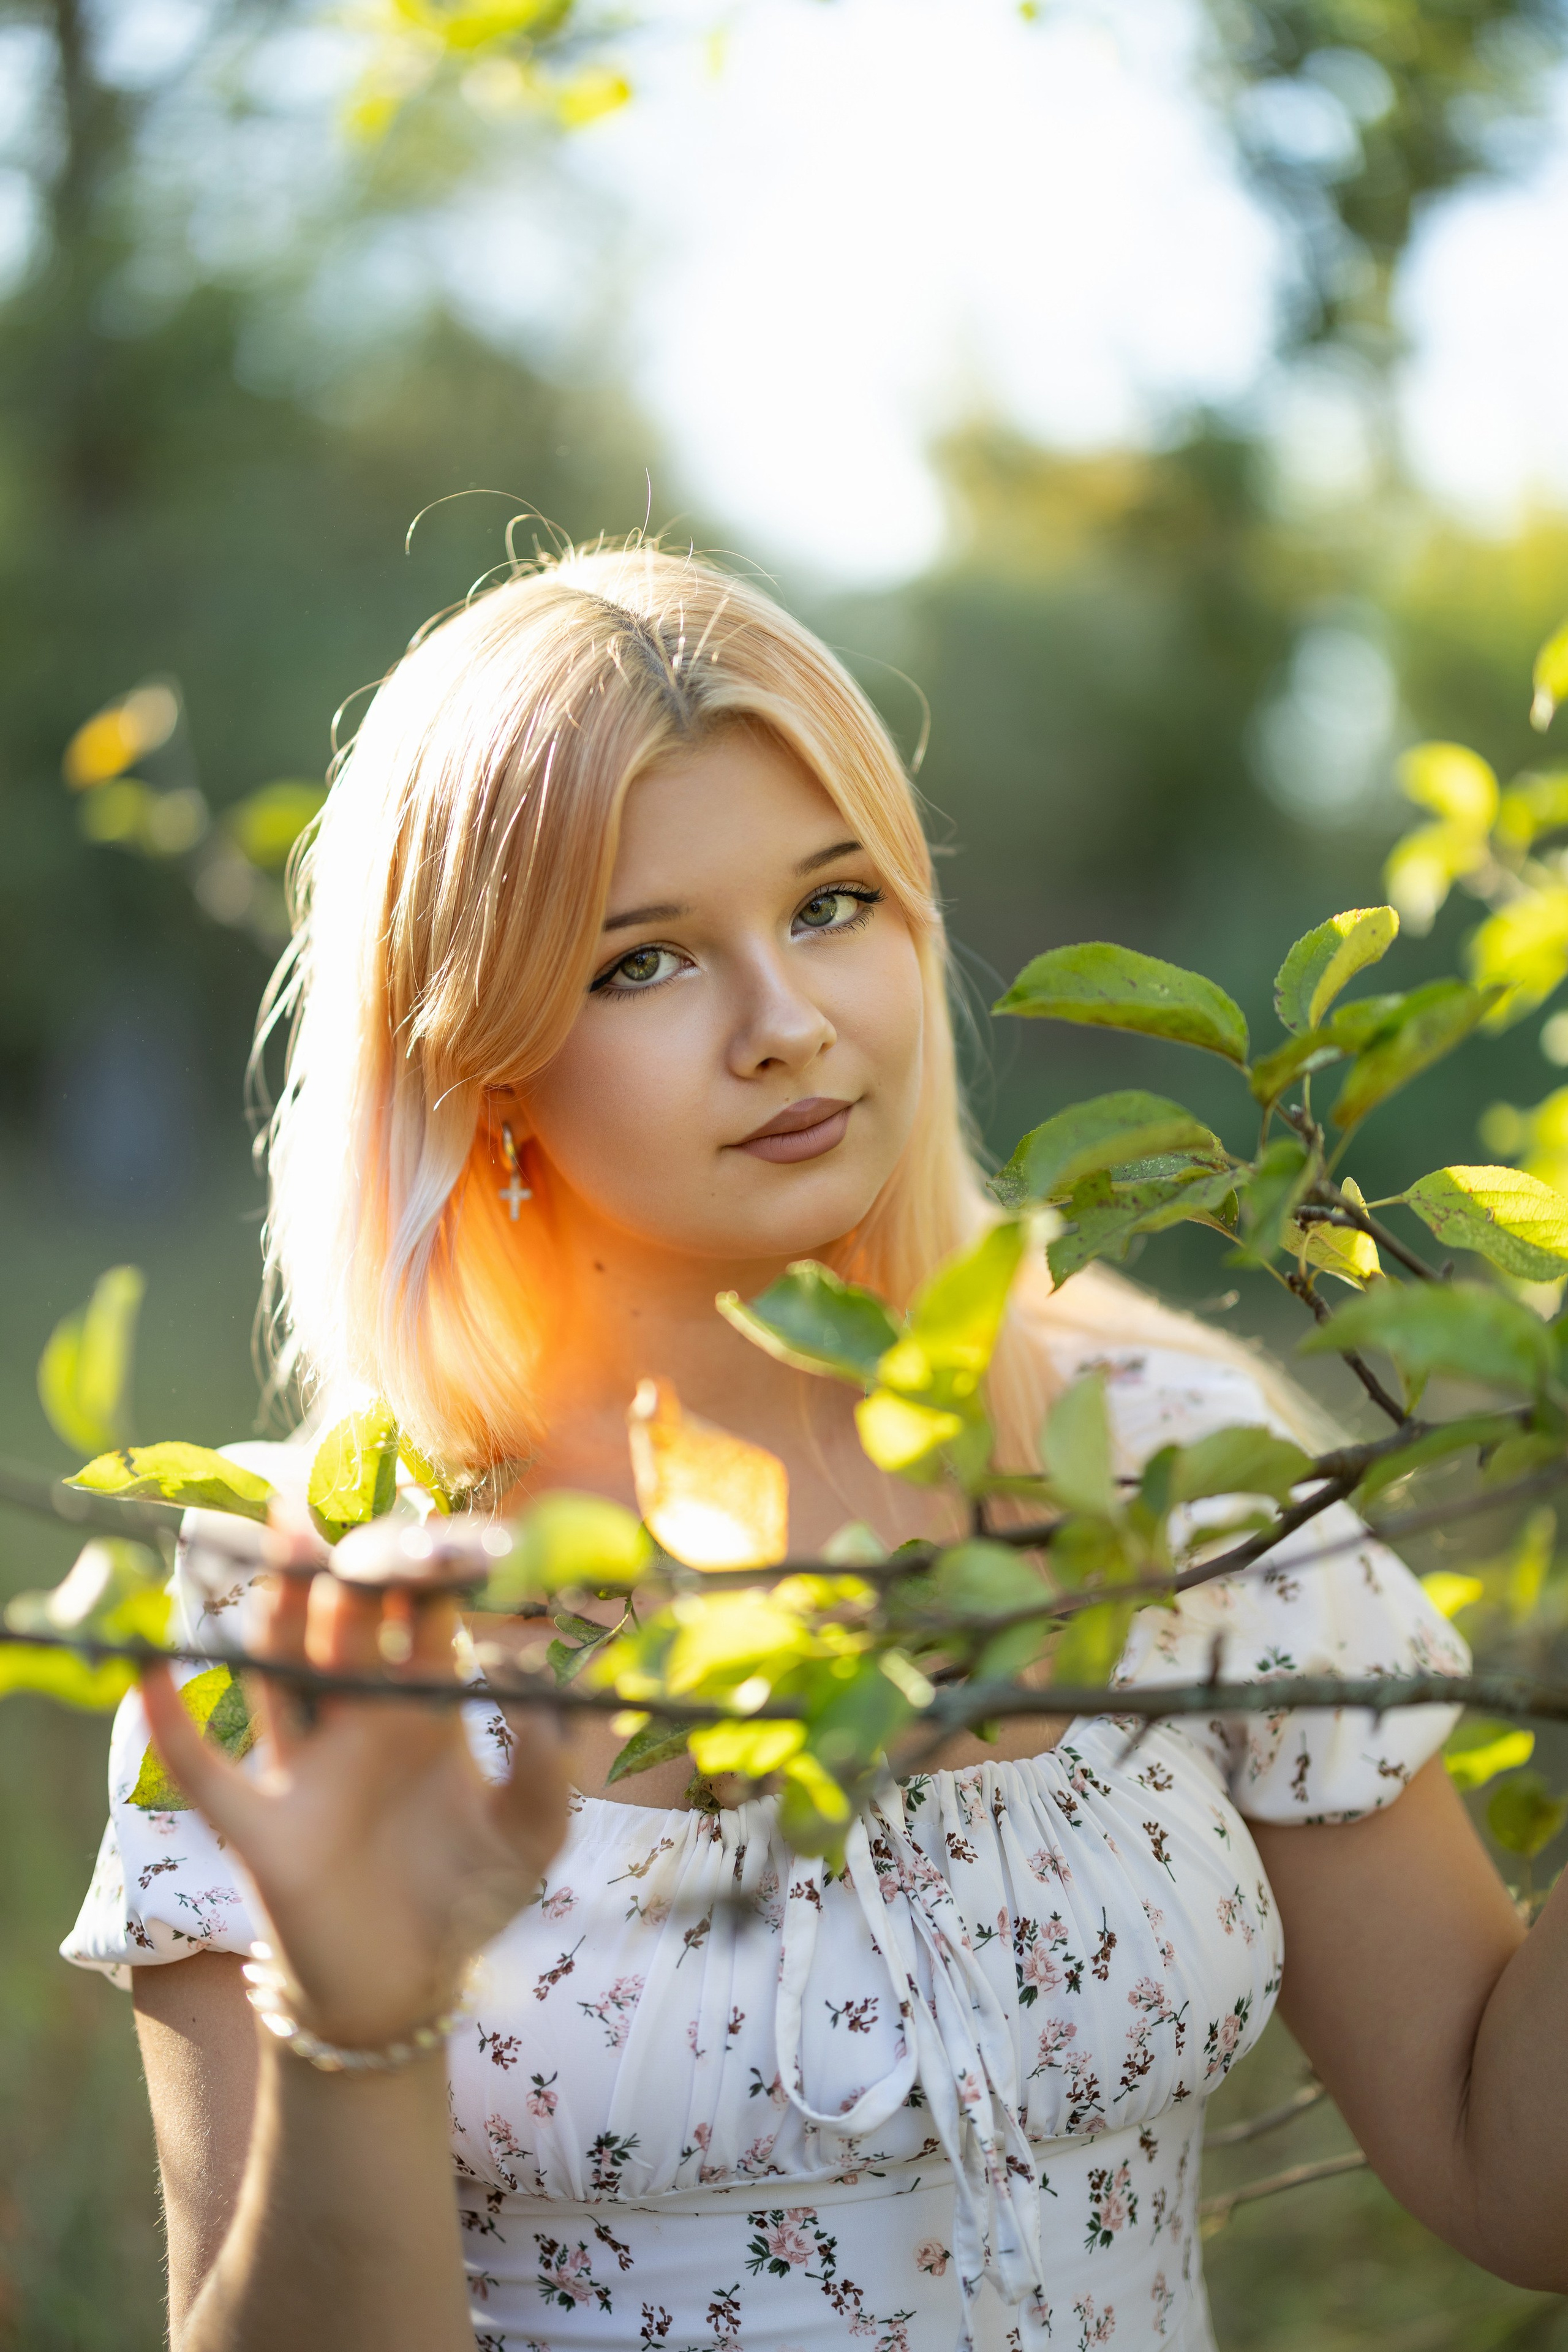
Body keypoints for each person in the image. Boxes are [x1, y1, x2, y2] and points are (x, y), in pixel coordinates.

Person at [63, 543, 1567, 2352]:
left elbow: (1511, 2167)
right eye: (645, 962)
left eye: (833, 904)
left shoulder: (1164, 1472)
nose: (789, 1026)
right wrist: (355, 2019)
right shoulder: (311, 1621)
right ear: (481, 1062)